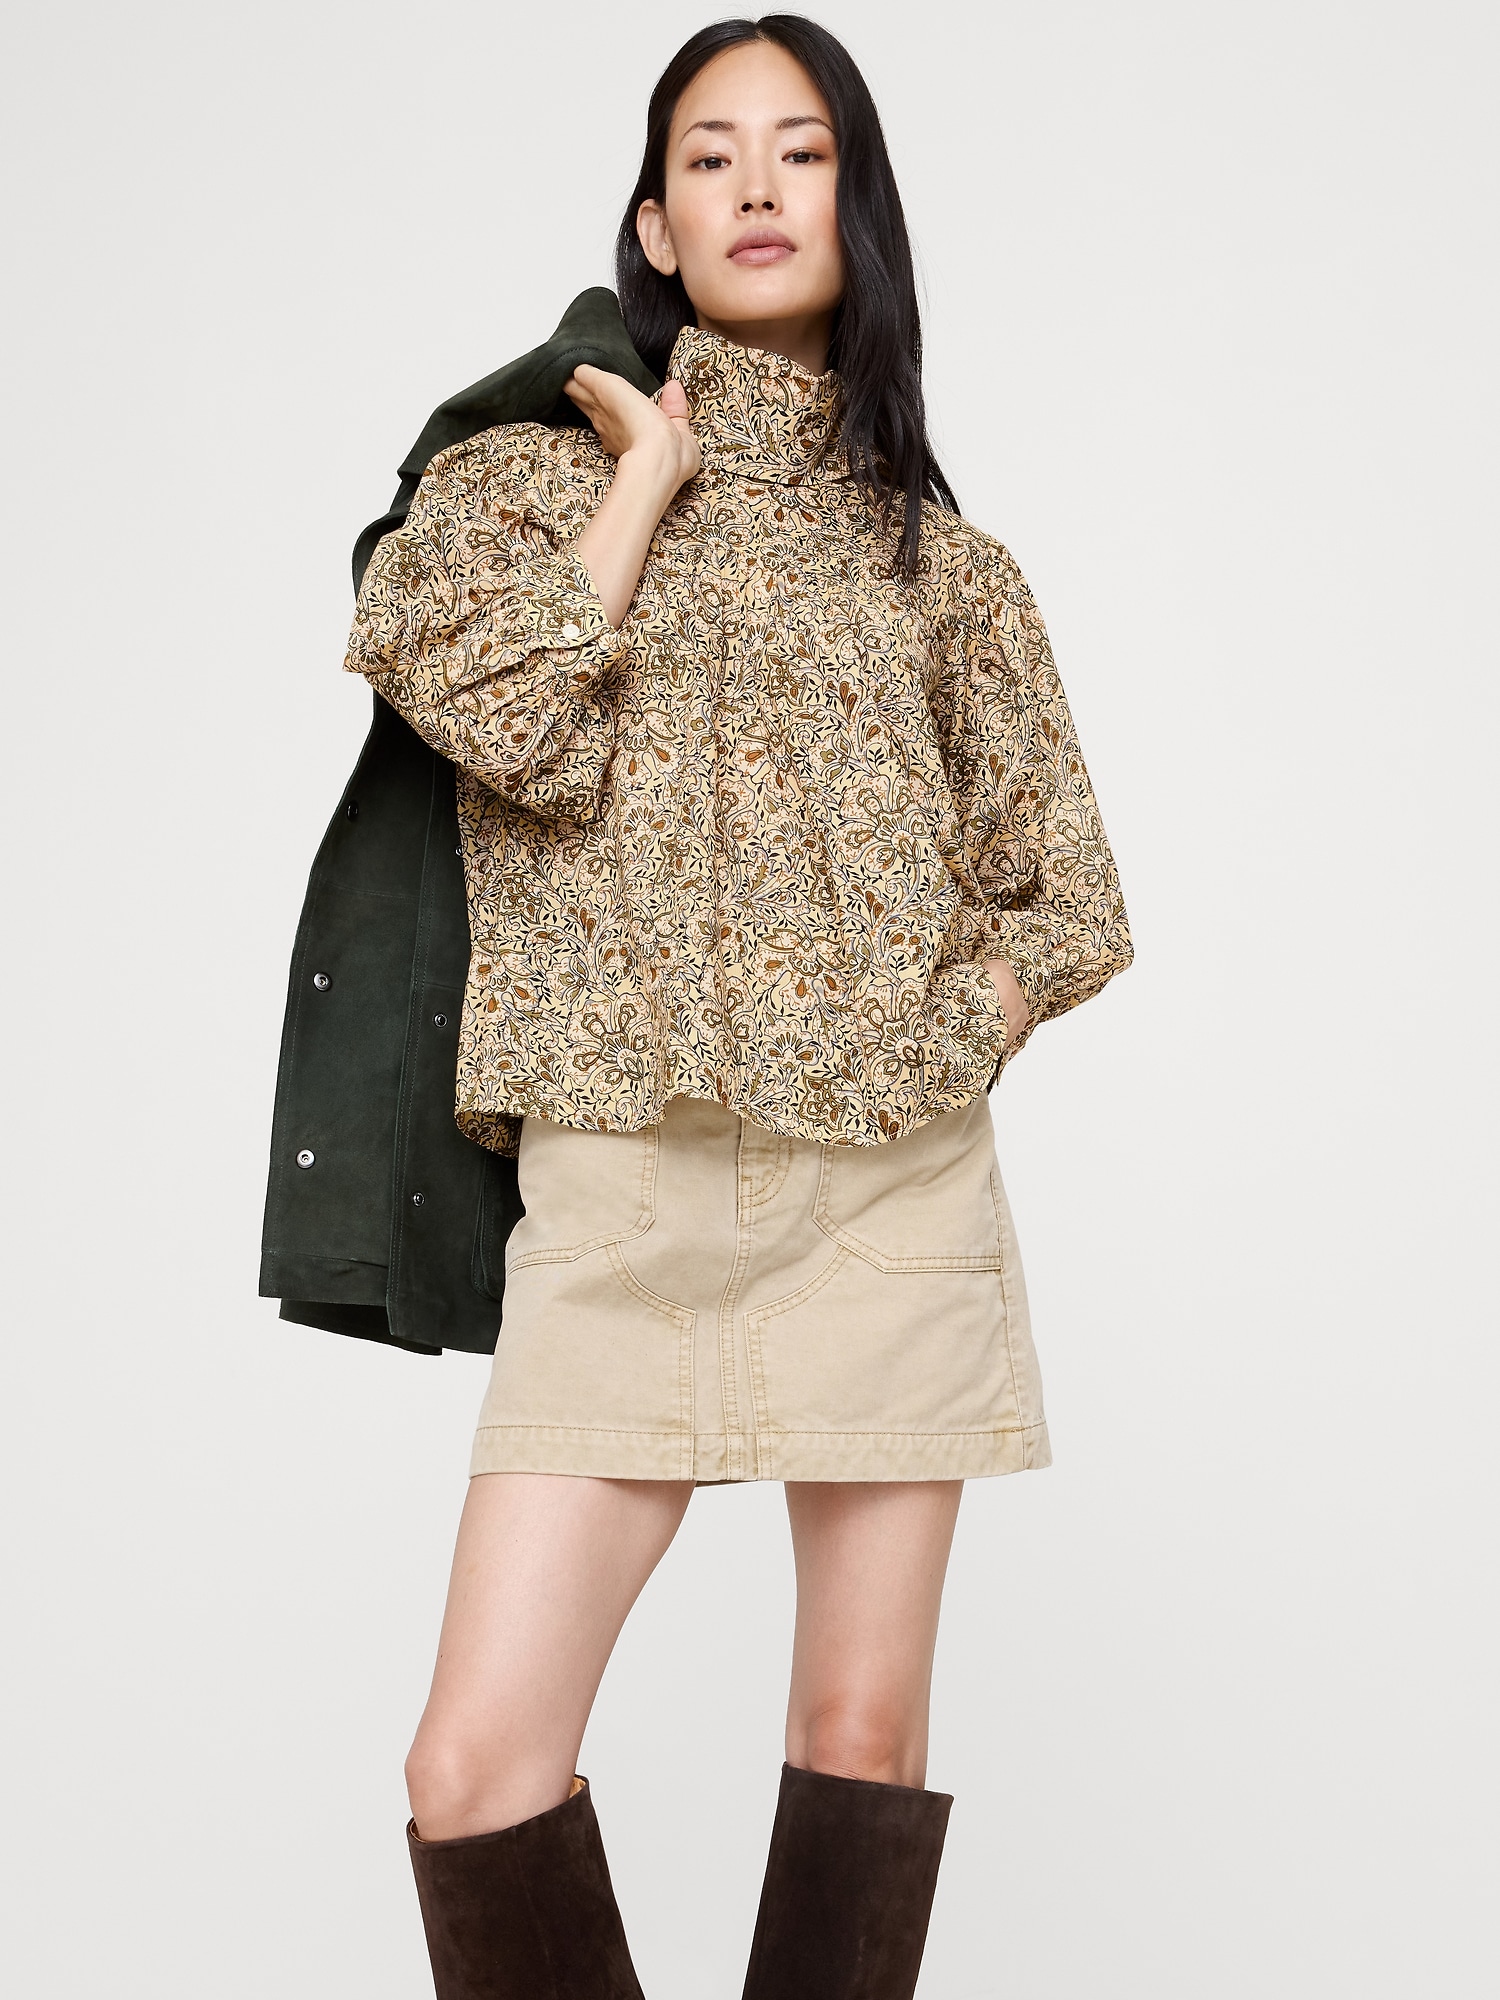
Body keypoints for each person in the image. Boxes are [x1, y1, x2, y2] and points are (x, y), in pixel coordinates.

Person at [343, 15, 1132, 1998]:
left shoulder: (947, 570)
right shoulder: (511, 489)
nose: (760, 186)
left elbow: (1069, 892)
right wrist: (648, 475)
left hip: (887, 1193)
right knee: (472, 1769)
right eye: (712, 155)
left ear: (858, 208)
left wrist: (945, 1030)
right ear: (654, 224)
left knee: (856, 1741)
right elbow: (510, 718)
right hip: (619, 1196)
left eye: (802, 151)